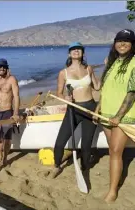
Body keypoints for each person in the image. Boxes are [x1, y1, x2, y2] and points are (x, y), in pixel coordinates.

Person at [93, 29, 135, 203]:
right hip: (106, 114)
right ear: (114, 44)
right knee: (113, 151)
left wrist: (118, 116)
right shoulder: (112, 63)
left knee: (115, 151)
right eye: (119, 40)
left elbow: (131, 94)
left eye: (127, 41)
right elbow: (105, 90)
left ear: (132, 44)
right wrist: (98, 109)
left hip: (121, 116)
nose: (122, 44)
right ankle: (116, 176)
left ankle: (113, 190)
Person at [50, 42, 100, 179]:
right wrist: (65, 97)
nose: (76, 51)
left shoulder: (89, 69)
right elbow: (59, 93)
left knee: (86, 144)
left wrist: (108, 70)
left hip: (90, 108)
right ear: (69, 54)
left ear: (83, 53)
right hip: (73, 110)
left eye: (78, 49)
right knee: (60, 142)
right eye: (73, 49)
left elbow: (96, 86)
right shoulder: (63, 73)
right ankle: (57, 165)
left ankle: (85, 167)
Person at [0, 58, 20, 166]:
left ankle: (5, 157)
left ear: (7, 68)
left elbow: (16, 97)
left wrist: (16, 113)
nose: (1, 68)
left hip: (7, 112)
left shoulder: (12, 79)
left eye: (3, 67)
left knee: (7, 137)